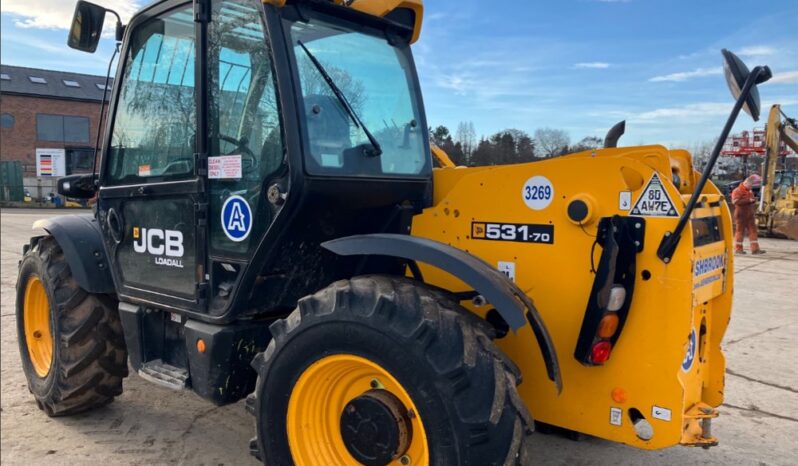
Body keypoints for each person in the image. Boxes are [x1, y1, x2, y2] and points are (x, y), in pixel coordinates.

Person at [731, 176, 764, 255]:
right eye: (749, 186)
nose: (750, 187)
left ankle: (755, 249)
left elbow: (750, 199)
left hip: (749, 214)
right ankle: (738, 249)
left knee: (753, 231)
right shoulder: (737, 191)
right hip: (741, 214)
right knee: (740, 231)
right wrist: (748, 200)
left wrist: (753, 200)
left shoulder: (749, 191)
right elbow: (735, 202)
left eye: (751, 186)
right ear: (745, 183)